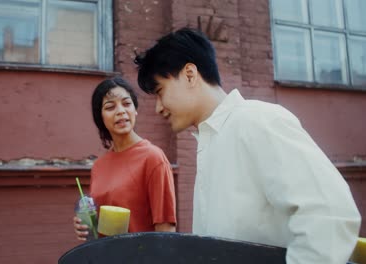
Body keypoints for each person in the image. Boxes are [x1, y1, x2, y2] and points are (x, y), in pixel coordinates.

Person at [134, 27, 361, 263]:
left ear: (190, 75)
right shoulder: (211, 141)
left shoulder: (257, 121)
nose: (159, 107)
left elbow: (329, 216)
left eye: (160, 92)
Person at [73, 77, 177, 241]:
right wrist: (85, 226)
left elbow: (165, 230)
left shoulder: (153, 158)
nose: (120, 111)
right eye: (110, 107)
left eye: (126, 104)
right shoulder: (99, 166)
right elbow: (98, 227)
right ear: (101, 117)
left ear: (135, 110)